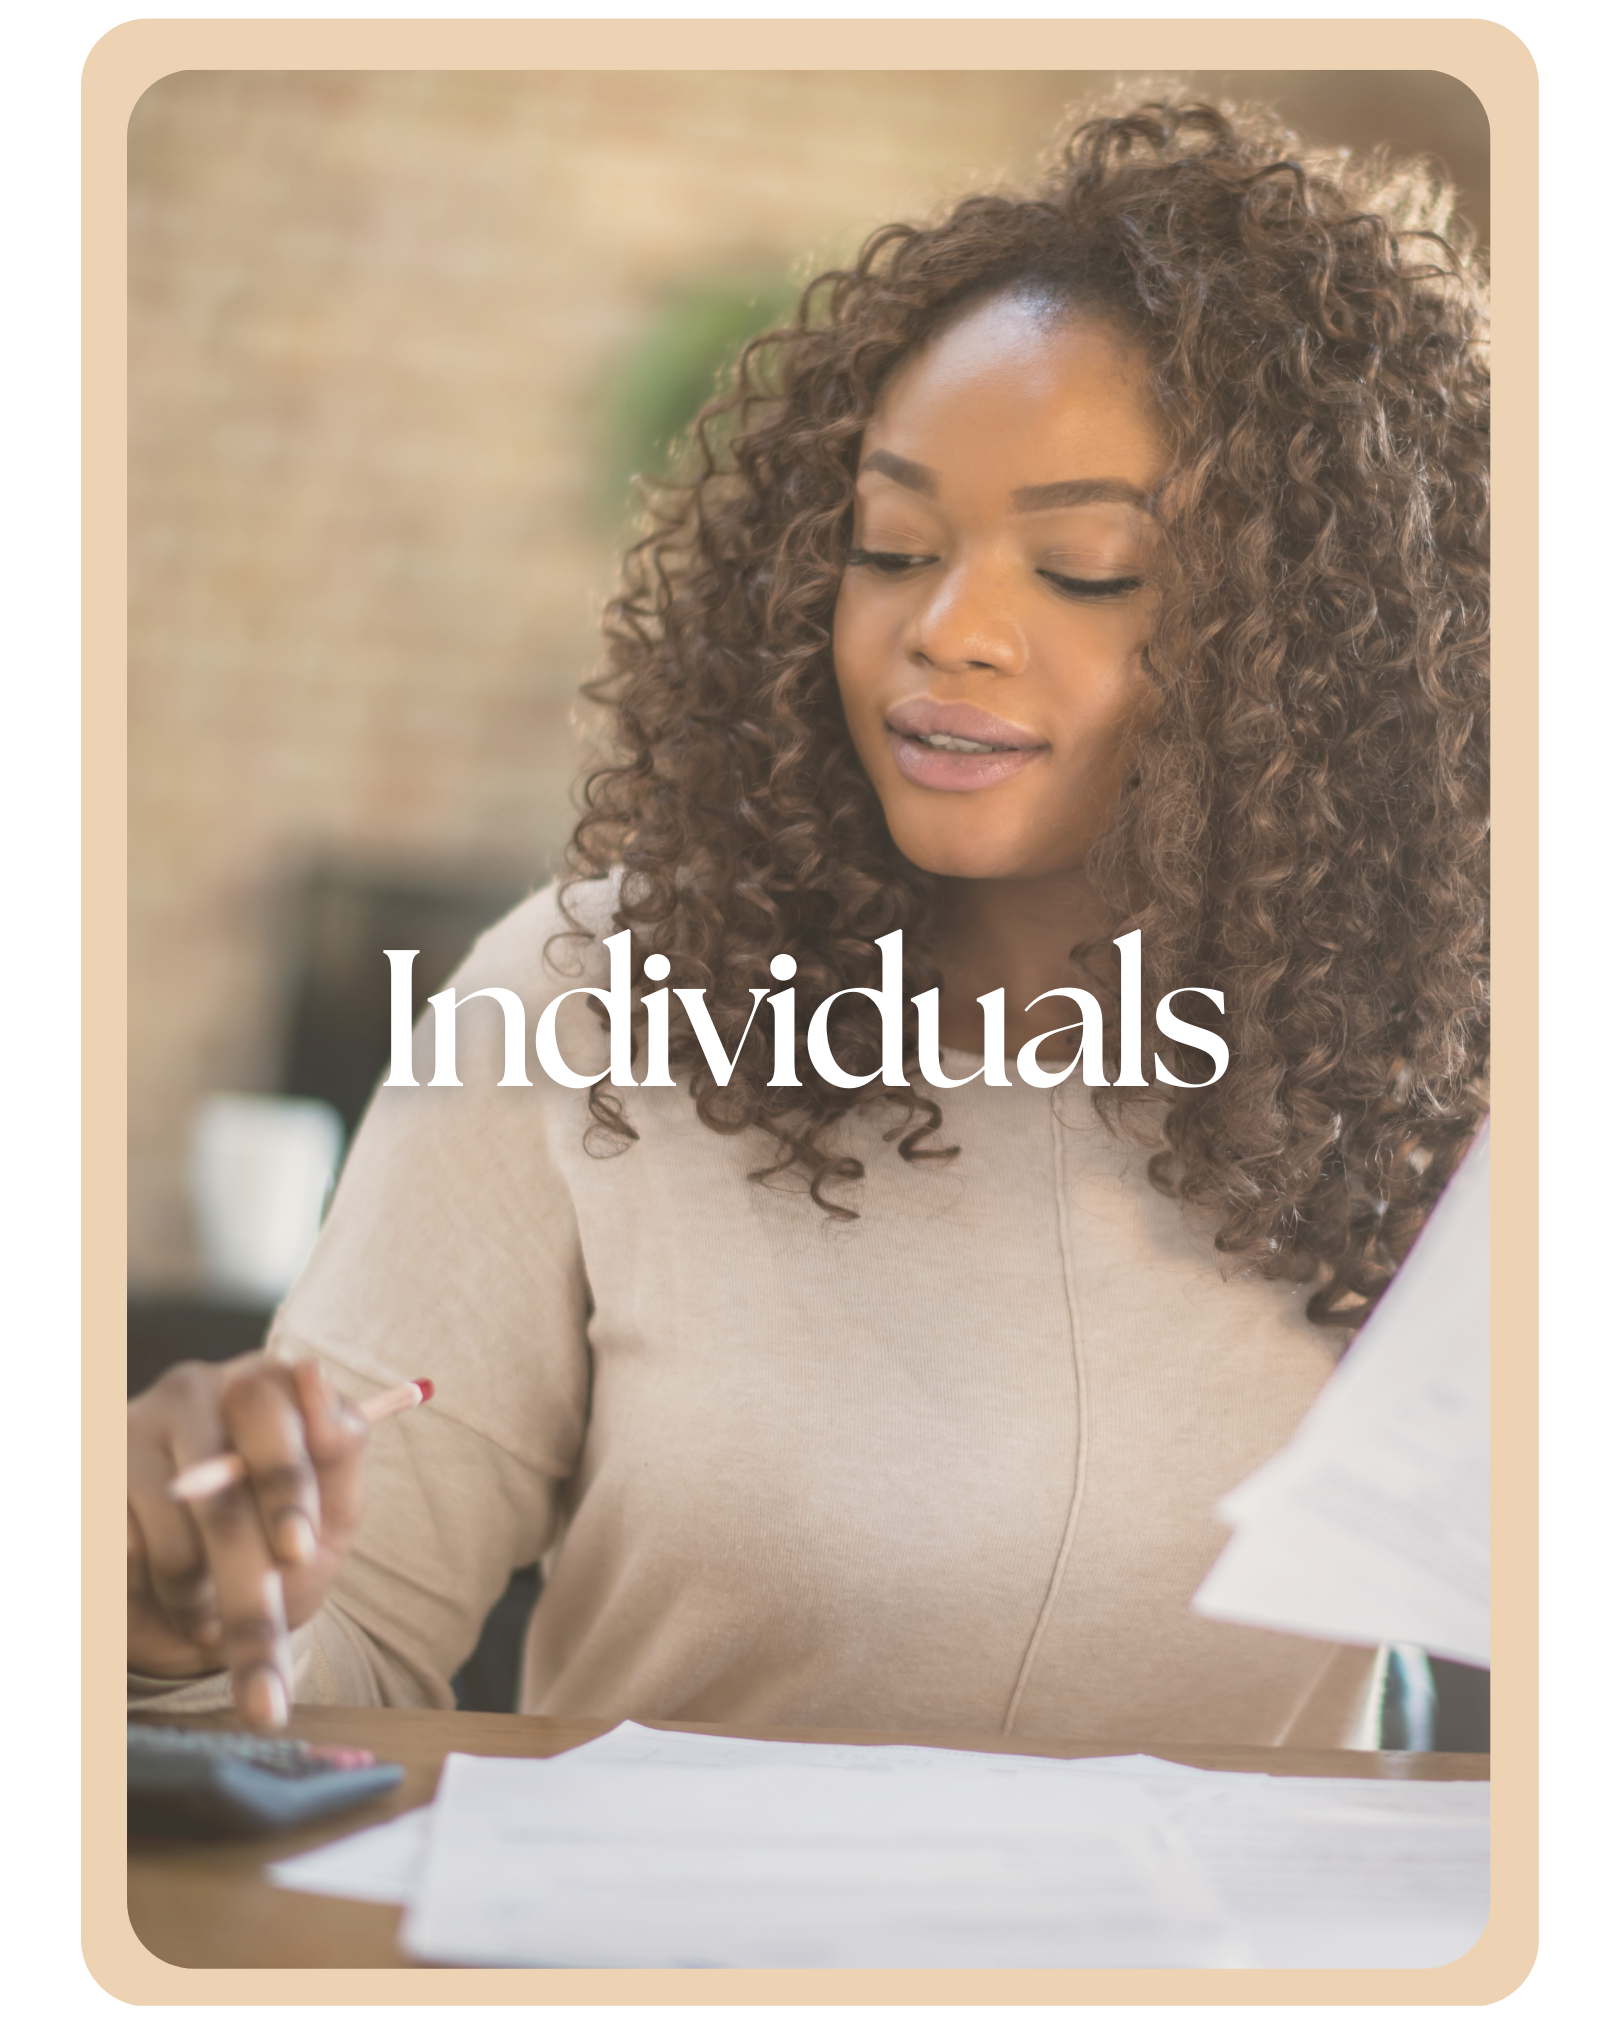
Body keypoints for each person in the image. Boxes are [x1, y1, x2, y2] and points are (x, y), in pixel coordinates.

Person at [127, 101, 1489, 1745]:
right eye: (890, 546)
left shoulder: (1453, 1088)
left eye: (1083, 569)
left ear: (1326, 650)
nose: (948, 628)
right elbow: (324, 1661)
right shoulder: (585, 1006)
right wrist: (173, 1617)